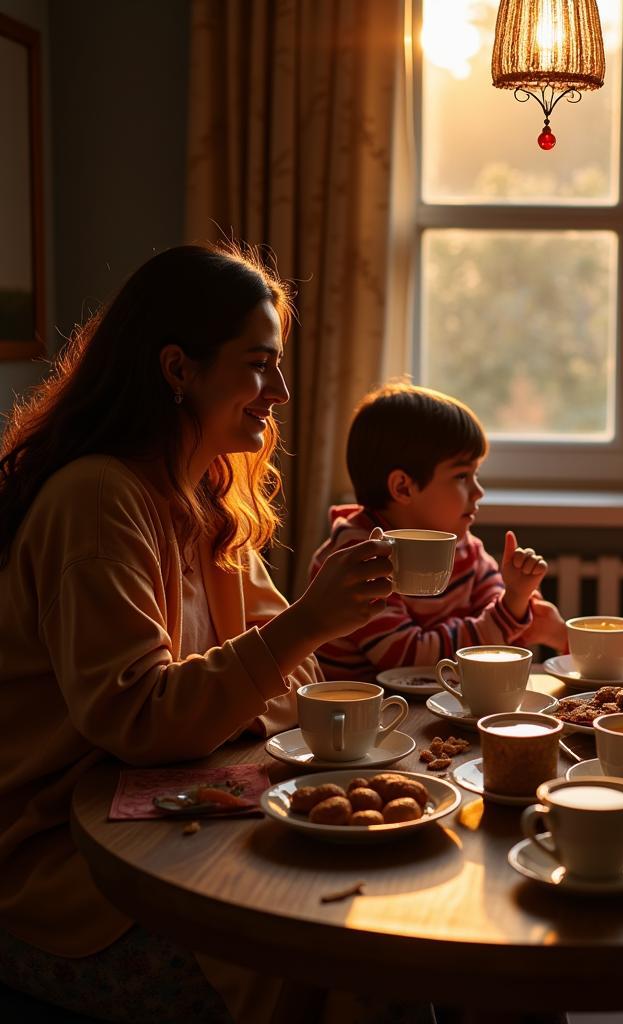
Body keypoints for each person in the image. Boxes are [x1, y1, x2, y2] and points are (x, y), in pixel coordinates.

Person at [0, 244, 404, 1023]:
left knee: (392, 918)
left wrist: (277, 654)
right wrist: (302, 626)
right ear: (179, 369)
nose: (280, 392)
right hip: (70, 863)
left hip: (180, 814)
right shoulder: (98, 501)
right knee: (341, 958)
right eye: (259, 365)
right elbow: (141, 721)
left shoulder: (210, 497)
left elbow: (294, 686)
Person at [308, 383, 565, 679]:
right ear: (403, 487)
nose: (478, 491)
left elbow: (503, 633)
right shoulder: (359, 558)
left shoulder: (463, 546)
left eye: (475, 475)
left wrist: (517, 597)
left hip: (433, 703)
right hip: (363, 715)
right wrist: (509, 610)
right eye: (461, 476)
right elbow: (409, 661)